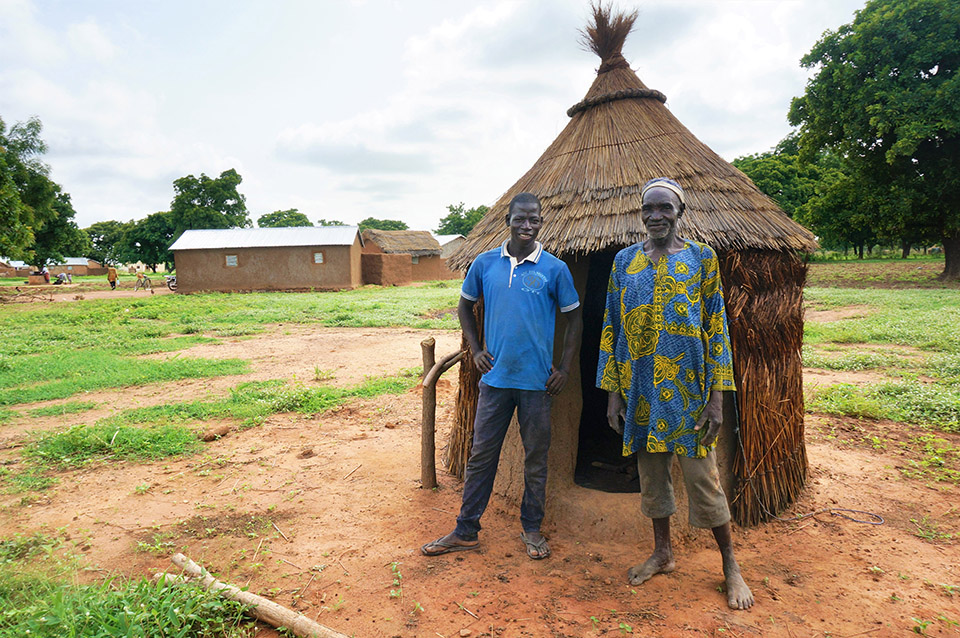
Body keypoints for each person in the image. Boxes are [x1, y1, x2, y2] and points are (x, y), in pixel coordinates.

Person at [596, 177, 754, 609]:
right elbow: (611, 328)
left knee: (704, 481)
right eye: (648, 209)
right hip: (641, 390)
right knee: (652, 479)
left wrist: (717, 397)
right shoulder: (624, 261)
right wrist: (613, 393)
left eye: (664, 207)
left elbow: (717, 328)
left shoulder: (702, 258)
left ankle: (730, 565)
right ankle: (662, 553)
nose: (655, 216)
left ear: (680, 210)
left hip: (689, 393)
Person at [422, 192, 583, 560]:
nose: (527, 226)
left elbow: (575, 319)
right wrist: (476, 349)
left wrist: (565, 368)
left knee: (536, 459)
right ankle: (466, 530)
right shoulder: (485, 263)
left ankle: (531, 529)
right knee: (481, 457)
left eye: (535, 220)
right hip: (495, 382)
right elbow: (464, 305)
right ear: (507, 219)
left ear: (541, 222)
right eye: (521, 219)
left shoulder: (554, 268)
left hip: (537, 384)